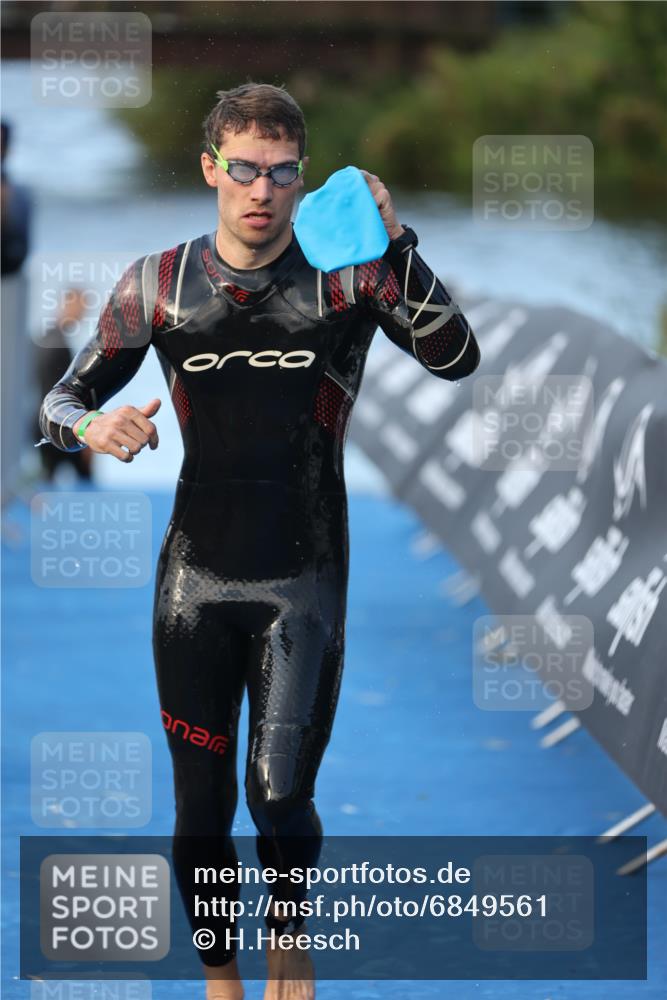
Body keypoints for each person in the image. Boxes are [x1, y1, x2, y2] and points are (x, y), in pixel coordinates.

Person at [38, 82, 480, 1000]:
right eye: (243, 168)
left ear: (302, 178)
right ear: (211, 170)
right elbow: (59, 401)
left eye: (281, 173)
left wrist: (396, 245)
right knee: (200, 808)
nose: (261, 190)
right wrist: (92, 430)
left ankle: (288, 924)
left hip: (303, 576)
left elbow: (457, 357)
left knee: (279, 793)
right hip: (192, 580)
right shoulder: (158, 283)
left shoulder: (349, 278)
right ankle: (219, 979)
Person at [33, 288, 93, 482]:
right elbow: (59, 393)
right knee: (84, 482)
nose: (83, 314)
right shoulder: (56, 344)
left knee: (45, 483)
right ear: (67, 304)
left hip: (46, 425)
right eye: (80, 307)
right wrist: (87, 431)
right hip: (59, 425)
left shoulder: (44, 339)